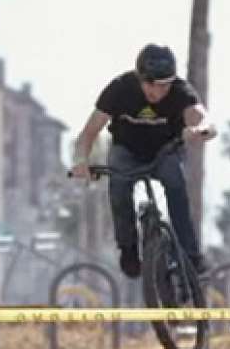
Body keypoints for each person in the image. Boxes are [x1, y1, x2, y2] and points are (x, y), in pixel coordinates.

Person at [70, 43, 217, 279]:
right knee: (118, 187)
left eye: (163, 86)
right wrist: (80, 161)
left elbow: (202, 118)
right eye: (150, 84)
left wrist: (200, 129)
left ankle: (191, 256)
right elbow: (88, 134)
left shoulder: (181, 92)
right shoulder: (119, 89)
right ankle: (128, 248)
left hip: (164, 152)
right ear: (139, 78)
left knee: (176, 186)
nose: (156, 92)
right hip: (126, 150)